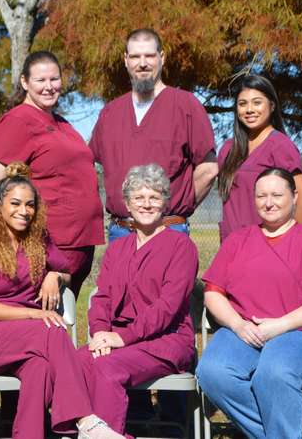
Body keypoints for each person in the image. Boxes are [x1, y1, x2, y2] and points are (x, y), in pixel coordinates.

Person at [0, 162, 124, 439]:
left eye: (30, 205)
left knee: (41, 367)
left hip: (25, 341)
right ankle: (84, 418)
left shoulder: (37, 240)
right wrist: (34, 315)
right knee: (51, 329)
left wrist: (54, 277)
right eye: (15, 203)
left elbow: (68, 273)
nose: (24, 211)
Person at [196, 168, 302, 438]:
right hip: (244, 331)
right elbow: (213, 293)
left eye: (277, 194)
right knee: (212, 372)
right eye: (261, 196)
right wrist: (237, 324)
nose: (269, 202)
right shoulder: (238, 241)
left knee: (275, 371)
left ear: (294, 196)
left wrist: (280, 326)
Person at [77, 163, 198, 437]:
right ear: (128, 205)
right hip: (118, 338)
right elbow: (103, 297)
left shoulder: (181, 247)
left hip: (166, 340)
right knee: (74, 362)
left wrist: (122, 338)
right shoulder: (118, 248)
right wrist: (99, 333)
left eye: (154, 197)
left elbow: (168, 307)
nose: (146, 204)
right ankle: (84, 430)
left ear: (165, 203)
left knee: (106, 368)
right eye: (138, 198)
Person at [0, 51, 104, 297]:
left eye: (54, 79)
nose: (49, 87)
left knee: (62, 323)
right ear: (25, 83)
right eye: (41, 80)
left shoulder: (61, 123)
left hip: (80, 241)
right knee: (41, 323)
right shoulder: (19, 120)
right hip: (49, 243)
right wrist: (12, 237)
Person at [89, 28, 218, 243]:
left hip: (168, 230)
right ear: (125, 60)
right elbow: (88, 164)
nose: (142, 63)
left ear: (162, 58)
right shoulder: (110, 113)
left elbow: (209, 169)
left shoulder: (185, 106)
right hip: (121, 232)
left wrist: (176, 205)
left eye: (149, 55)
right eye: (135, 56)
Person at [217, 74, 302, 241]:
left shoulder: (280, 146)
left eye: (257, 102)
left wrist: (285, 247)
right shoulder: (227, 149)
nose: (249, 109)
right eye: (242, 104)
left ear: (272, 105)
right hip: (231, 249)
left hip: (264, 250)